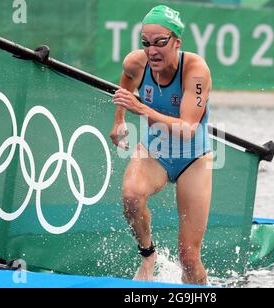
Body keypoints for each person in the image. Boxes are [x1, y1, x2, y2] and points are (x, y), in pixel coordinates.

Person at [110, 5, 213, 285]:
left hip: (193, 158)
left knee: (189, 257)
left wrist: (142, 110)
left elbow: (188, 130)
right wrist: (119, 119)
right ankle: (148, 254)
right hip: (154, 151)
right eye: (146, 43)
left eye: (160, 43)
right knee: (131, 196)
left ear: (177, 42)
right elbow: (125, 88)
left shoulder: (196, 70)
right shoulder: (136, 63)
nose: (151, 50)